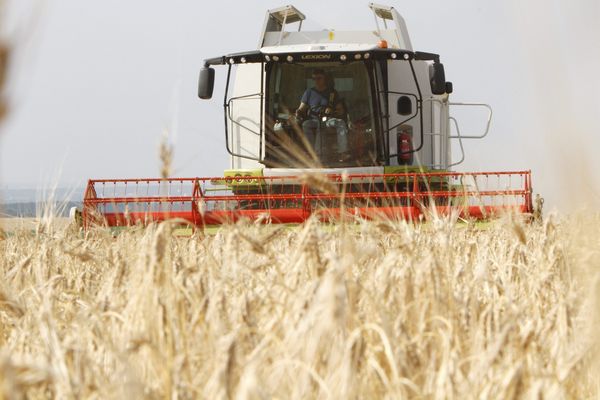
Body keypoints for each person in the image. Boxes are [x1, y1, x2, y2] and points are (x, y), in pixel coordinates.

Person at [295, 69, 349, 161]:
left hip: (328, 120)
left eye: (319, 78)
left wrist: (332, 110)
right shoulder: (309, 92)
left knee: (341, 123)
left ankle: (342, 153)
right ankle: (311, 152)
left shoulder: (332, 93)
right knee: (305, 124)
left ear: (325, 79)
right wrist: (298, 113)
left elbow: (341, 110)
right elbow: (301, 108)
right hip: (313, 120)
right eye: (314, 79)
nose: (316, 81)